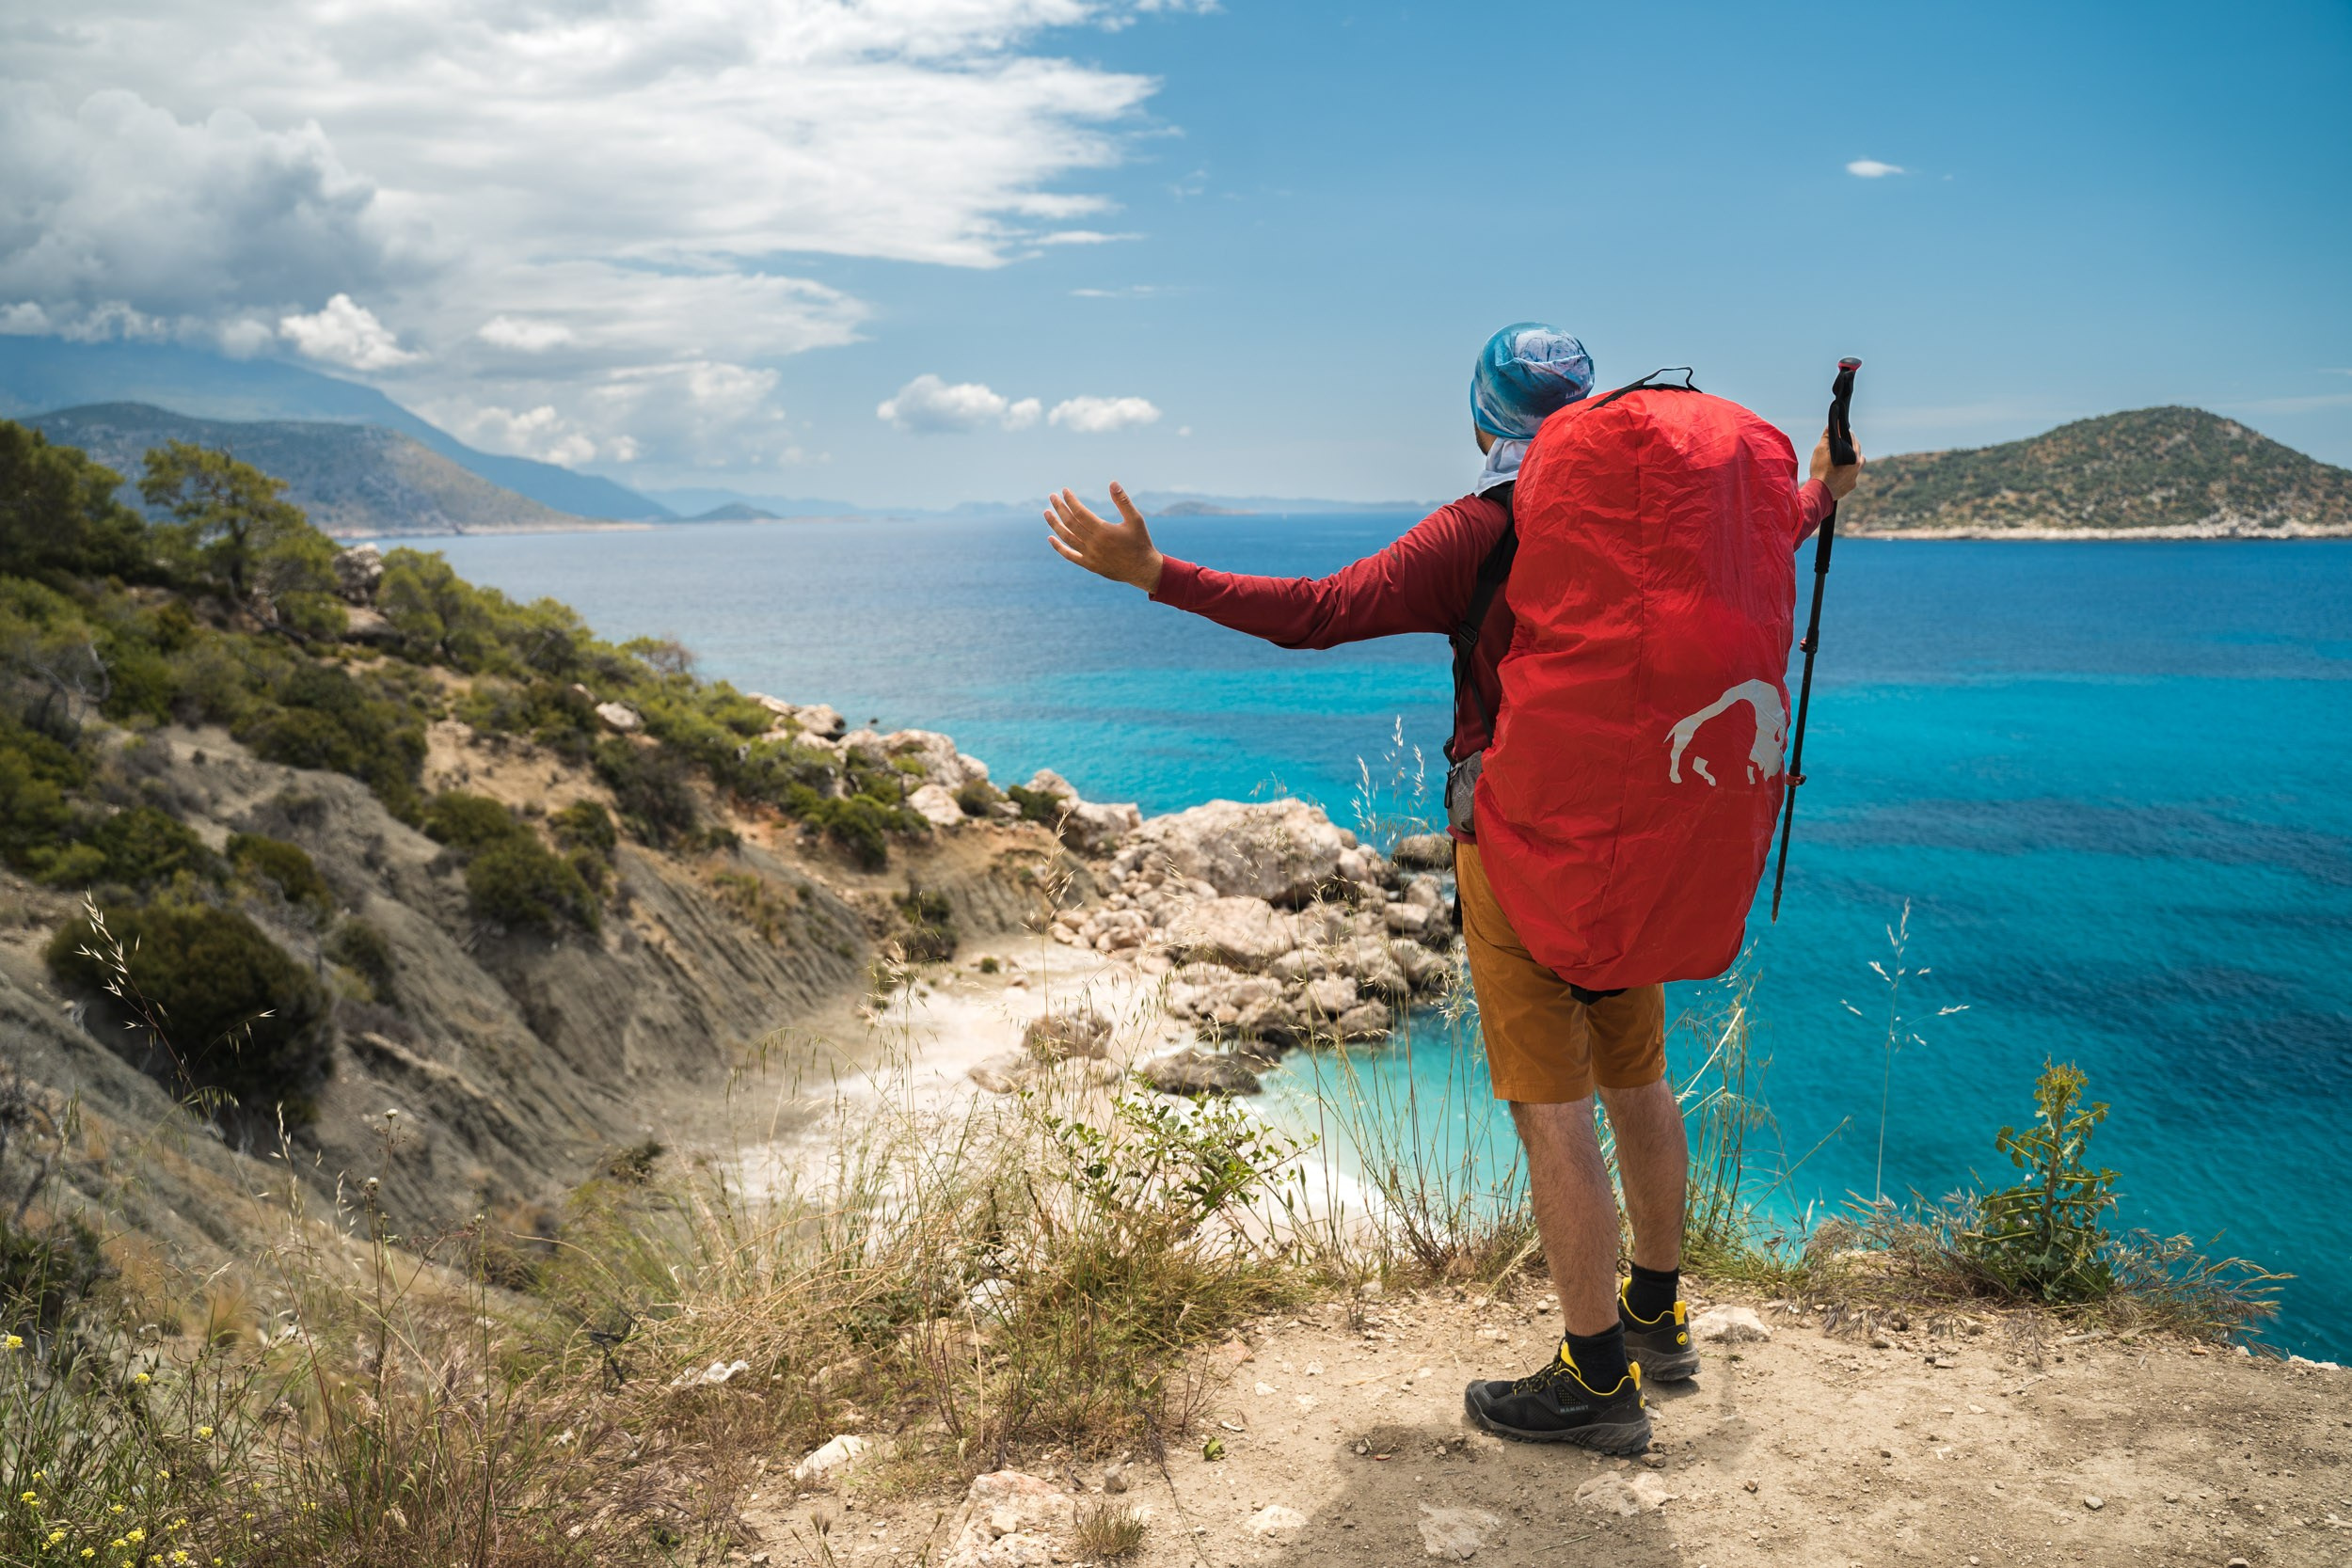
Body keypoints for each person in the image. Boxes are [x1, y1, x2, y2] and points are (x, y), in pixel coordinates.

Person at [1042, 324, 1864, 1452]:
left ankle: (1591, 1380)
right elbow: (1793, 514)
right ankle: (1658, 1316)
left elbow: (1320, 610)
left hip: (1522, 841)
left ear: (1485, 419)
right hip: (1642, 832)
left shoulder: (1482, 528)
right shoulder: (1677, 518)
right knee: (1638, 1077)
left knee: (1549, 1106)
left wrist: (1155, 574)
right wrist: (1822, 484)